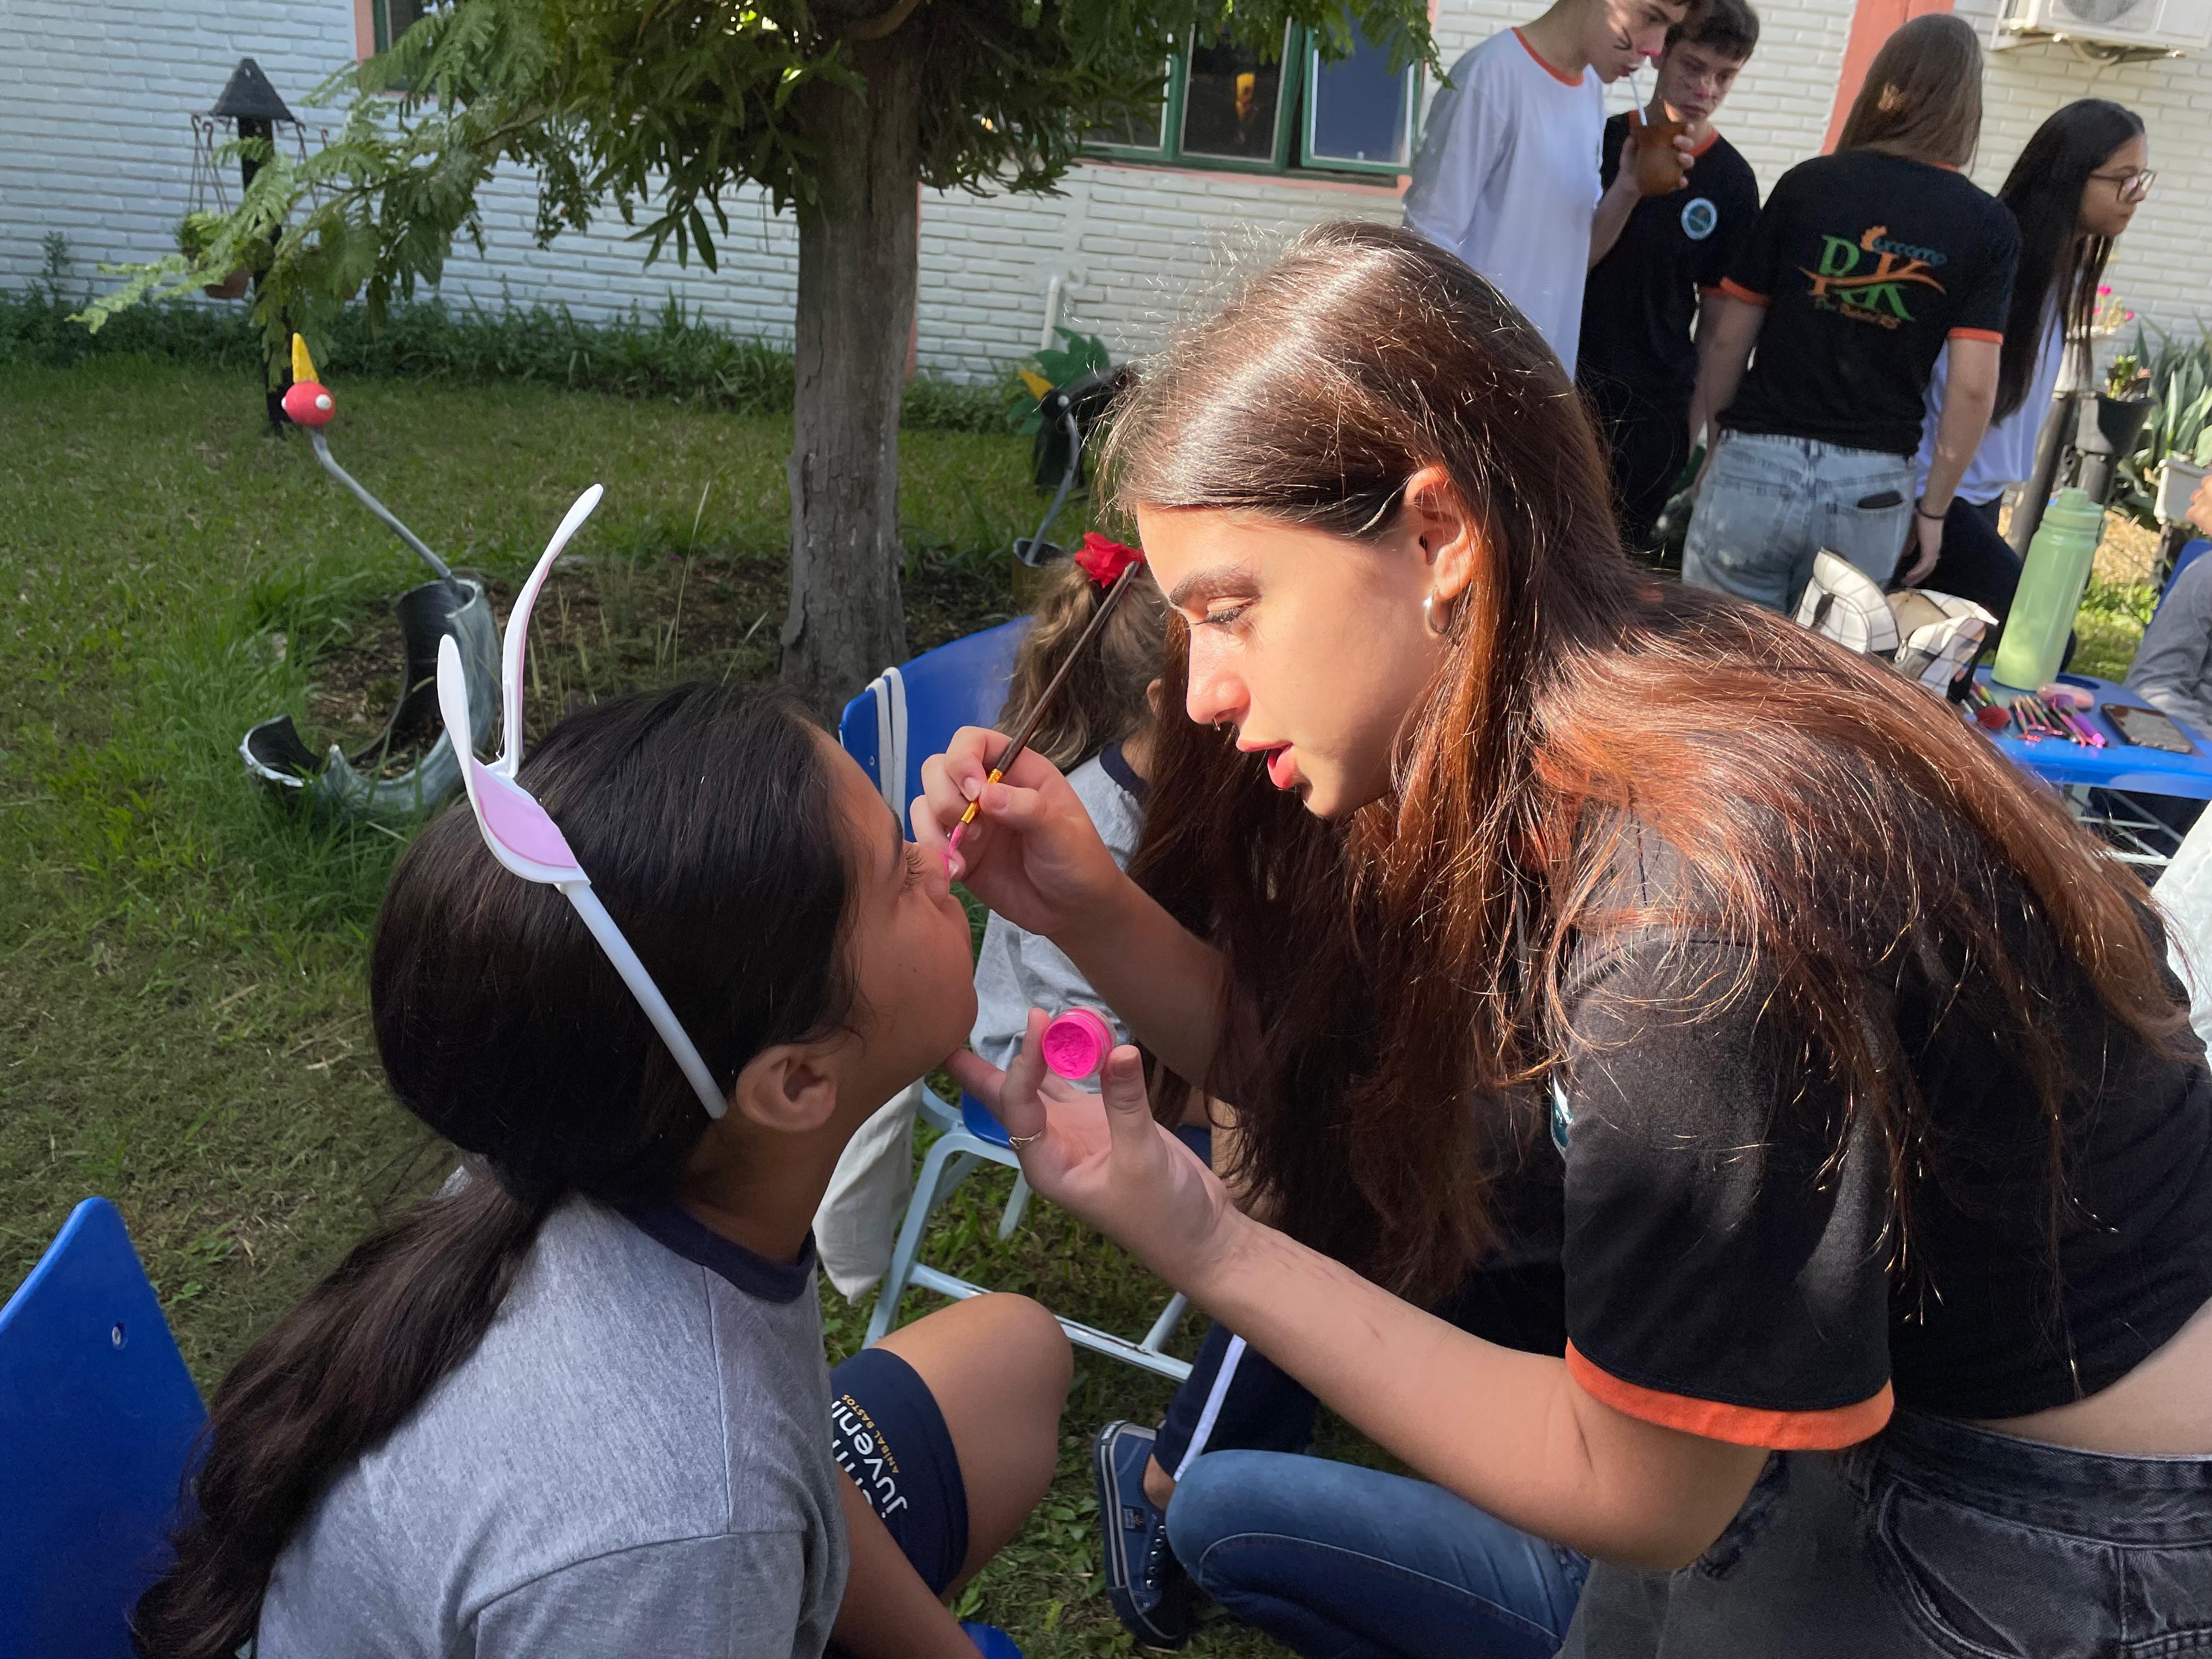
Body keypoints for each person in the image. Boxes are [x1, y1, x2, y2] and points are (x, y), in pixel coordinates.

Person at [918, 222, 2212, 1657]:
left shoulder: (1693, 909)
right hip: (1880, 1416)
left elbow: (1641, 1489)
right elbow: (1324, 1080)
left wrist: (1204, 1239)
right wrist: (1087, 904)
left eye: (1232, 612)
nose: (1205, 693)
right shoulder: (1559, 699)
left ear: (1437, 534)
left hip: (2066, 1530)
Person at [133, 681, 1072, 1659]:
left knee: (1014, 1354)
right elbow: (718, 1503)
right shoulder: (681, 1528)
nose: (933, 859)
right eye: (894, 874)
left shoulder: (590, 1172)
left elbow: (785, 1445)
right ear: (794, 1081)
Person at [1683, 14, 2021, 612]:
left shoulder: (1807, 186)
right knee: (1826, 669)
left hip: (1758, 458)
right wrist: (1934, 511)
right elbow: (1973, 390)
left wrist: (1718, 448)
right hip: (1872, 488)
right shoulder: (1987, 226)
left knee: (1716, 657)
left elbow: (1727, 338)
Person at [1912, 100, 2151, 619]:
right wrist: (1930, 506)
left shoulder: (2065, 269)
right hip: (1933, 495)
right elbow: (1958, 387)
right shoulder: (2003, 259)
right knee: (2037, 634)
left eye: (2142, 180)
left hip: (1976, 498)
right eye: (2123, 180)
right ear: (2070, 176)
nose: (2136, 195)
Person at [1403, 0, 1690, 377]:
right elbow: (1424, 248)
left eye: (1669, 28)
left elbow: (1575, 255)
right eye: (1651, 17)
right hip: (1474, 382)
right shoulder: (1491, 75)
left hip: (1543, 384)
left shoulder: (1589, 88)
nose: (1656, 48)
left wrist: (1628, 188)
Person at [1579, 0, 1763, 554]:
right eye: (1694, 66)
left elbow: (1718, 329)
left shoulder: (1731, 182)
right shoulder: (1601, 141)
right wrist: (1629, 187)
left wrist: (1690, 433)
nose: (1706, 88)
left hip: (1655, 406)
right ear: (1661, 54)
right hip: (1573, 381)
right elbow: (1571, 261)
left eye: (1725, 76)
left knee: (1621, 564)